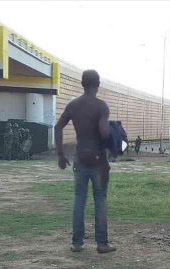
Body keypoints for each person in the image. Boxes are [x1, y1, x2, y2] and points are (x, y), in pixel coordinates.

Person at [54, 69, 116, 254]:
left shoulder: (73, 105)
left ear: (82, 84)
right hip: (98, 161)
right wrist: (114, 135)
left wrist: (60, 154)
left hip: (80, 159)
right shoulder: (101, 107)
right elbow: (104, 133)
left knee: (79, 201)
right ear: (98, 84)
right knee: (100, 200)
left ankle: (77, 243)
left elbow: (58, 127)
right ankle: (102, 243)